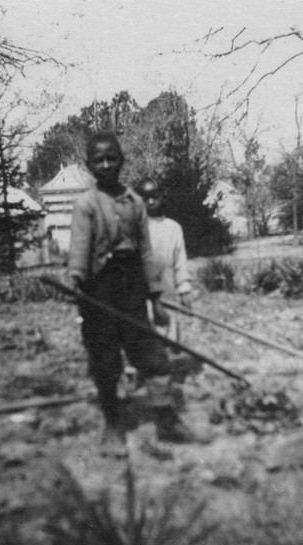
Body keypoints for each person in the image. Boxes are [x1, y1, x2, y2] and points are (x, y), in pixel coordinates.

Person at [68, 131, 196, 457]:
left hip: (132, 287)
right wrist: (77, 282)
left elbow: (147, 253)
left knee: (152, 355)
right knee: (105, 359)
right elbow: (80, 249)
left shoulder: (135, 203)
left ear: (121, 161)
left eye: (112, 158)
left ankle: (167, 421)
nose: (106, 164)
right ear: (90, 166)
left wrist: (155, 297)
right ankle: (113, 426)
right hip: (99, 290)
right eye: (99, 160)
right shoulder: (86, 205)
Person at [136, 177, 192, 341]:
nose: (151, 202)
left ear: (162, 197)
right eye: (146, 198)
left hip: (168, 292)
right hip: (143, 295)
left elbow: (180, 261)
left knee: (170, 338)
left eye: (155, 197)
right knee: (147, 342)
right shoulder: (136, 228)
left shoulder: (173, 228)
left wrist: (184, 288)